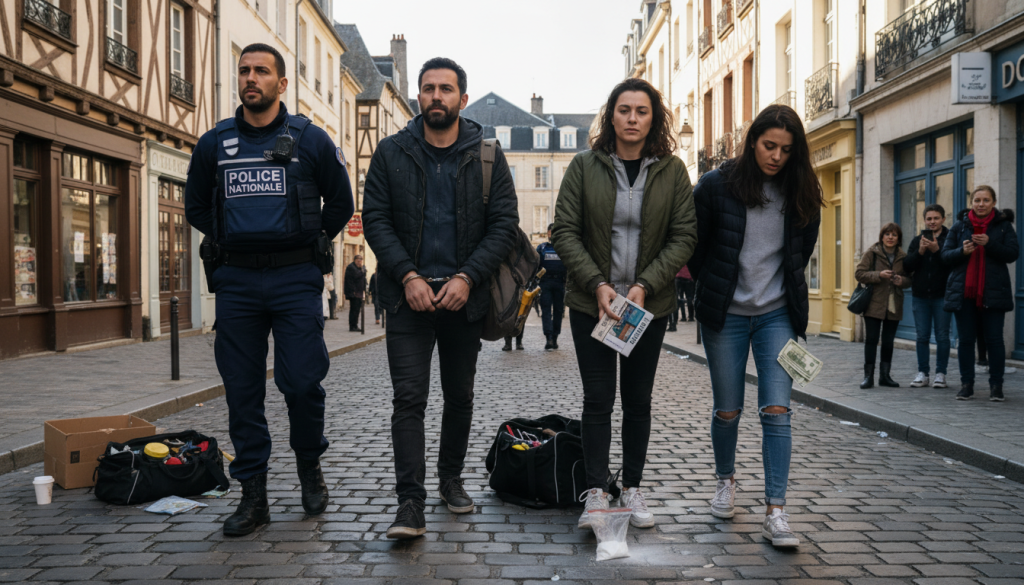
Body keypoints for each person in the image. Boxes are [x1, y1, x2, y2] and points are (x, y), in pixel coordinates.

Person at [184, 43, 353, 535]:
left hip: (295, 278)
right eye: (244, 70)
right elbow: (197, 207)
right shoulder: (214, 144)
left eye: (261, 71)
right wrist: (231, 237)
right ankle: (253, 497)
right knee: (242, 392)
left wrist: (304, 237)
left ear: (282, 84)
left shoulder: (311, 140)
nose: (250, 78)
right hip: (236, 282)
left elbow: (340, 204)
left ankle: (309, 466)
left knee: (302, 383)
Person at [362, 57, 518, 539]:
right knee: (408, 400)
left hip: (462, 300)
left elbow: (504, 225)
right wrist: (406, 274)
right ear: (418, 98)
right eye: (428, 88)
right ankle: (409, 503)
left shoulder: (486, 153)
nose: (435, 96)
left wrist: (469, 278)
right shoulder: (391, 152)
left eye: (445, 89)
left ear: (462, 99)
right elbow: (375, 219)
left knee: (460, 396)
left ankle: (450, 479)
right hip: (408, 300)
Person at [552, 78, 696, 531]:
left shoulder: (672, 171)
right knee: (597, 399)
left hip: (644, 307)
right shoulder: (583, 166)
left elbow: (684, 235)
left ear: (653, 118)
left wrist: (644, 286)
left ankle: (631, 486)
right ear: (610, 115)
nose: (632, 119)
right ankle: (596, 491)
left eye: (642, 111)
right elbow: (564, 230)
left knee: (637, 400)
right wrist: (596, 284)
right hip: (592, 304)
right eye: (624, 110)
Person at [690, 104, 823, 548]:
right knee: (728, 409)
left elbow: (799, 253)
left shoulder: (801, 190)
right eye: (769, 146)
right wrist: (715, 284)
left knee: (777, 410)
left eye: (787, 149)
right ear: (752, 142)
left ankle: (777, 510)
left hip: (777, 315)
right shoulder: (715, 186)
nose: (777, 156)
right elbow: (696, 246)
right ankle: (725, 481)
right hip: (725, 315)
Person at [942, 186, 1019, 401]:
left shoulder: (1003, 226)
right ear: (972, 202)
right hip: (964, 293)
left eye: (986, 200)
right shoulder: (959, 226)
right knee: (966, 340)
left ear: (993, 202)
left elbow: (1013, 254)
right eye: (977, 200)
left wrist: (990, 244)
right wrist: (962, 251)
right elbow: (945, 255)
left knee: (994, 340)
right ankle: (967, 385)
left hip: (993, 292)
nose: (981, 204)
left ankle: (996, 386)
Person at [855, 223, 912, 389]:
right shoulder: (872, 253)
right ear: (882, 236)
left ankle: (885, 376)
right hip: (874, 303)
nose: (890, 237)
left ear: (898, 238)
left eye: (894, 235)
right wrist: (878, 275)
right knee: (871, 340)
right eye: (887, 234)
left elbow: (909, 278)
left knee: (888, 341)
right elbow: (859, 273)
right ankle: (868, 377)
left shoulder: (903, 256)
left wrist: (902, 281)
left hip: (894, 304)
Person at [903, 204, 951, 388]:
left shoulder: (949, 239)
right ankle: (923, 373)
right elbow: (907, 266)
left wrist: (937, 250)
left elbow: (951, 264)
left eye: (936, 218)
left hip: (942, 296)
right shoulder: (917, 241)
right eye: (929, 219)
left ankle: (941, 374)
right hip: (920, 296)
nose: (932, 222)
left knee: (942, 337)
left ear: (943, 220)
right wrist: (921, 251)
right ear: (924, 220)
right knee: (922, 336)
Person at [537, 224, 567, 350]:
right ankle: (548, 337)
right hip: (545, 283)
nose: (551, 234)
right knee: (546, 311)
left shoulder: (565, 248)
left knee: (559, 311)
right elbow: (535, 264)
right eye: (550, 232)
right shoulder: (542, 247)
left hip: (560, 283)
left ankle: (555, 337)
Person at [344, 255, 367, 331]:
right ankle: (352, 326)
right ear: (355, 260)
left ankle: (355, 325)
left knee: (357, 310)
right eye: (358, 260)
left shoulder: (359, 268)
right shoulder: (351, 267)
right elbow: (357, 275)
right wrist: (363, 270)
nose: (359, 262)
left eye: (361, 260)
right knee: (354, 310)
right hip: (354, 293)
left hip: (359, 292)